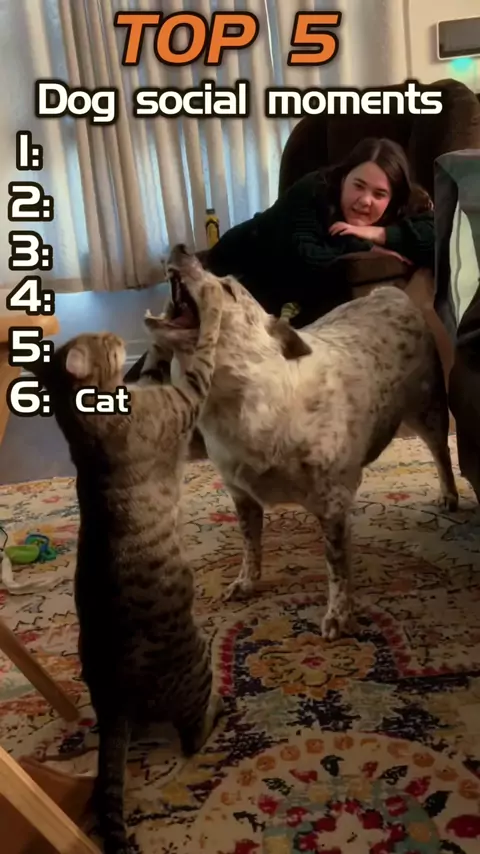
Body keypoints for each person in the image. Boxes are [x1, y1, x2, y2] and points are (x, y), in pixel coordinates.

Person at [203, 136, 435, 327]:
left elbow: (440, 237)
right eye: (358, 186)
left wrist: (379, 234)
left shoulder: (404, 203)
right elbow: (307, 258)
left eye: (379, 194)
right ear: (343, 179)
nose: (365, 200)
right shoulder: (312, 190)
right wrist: (362, 244)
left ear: (393, 198)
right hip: (235, 263)